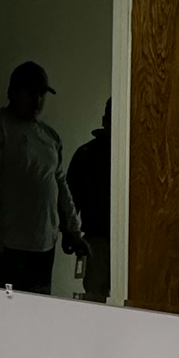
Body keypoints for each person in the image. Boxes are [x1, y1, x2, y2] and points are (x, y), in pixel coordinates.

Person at [0, 59, 83, 292]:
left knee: (39, 307)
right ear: (13, 92)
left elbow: (59, 182)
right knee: (7, 306)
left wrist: (72, 229)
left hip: (44, 245)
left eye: (42, 94)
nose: (38, 100)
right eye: (31, 92)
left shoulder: (49, 136)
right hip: (9, 247)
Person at [66, 101, 112, 302]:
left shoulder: (86, 153)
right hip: (96, 240)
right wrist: (71, 234)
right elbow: (70, 200)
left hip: (132, 241)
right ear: (104, 121)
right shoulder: (86, 155)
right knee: (96, 297)